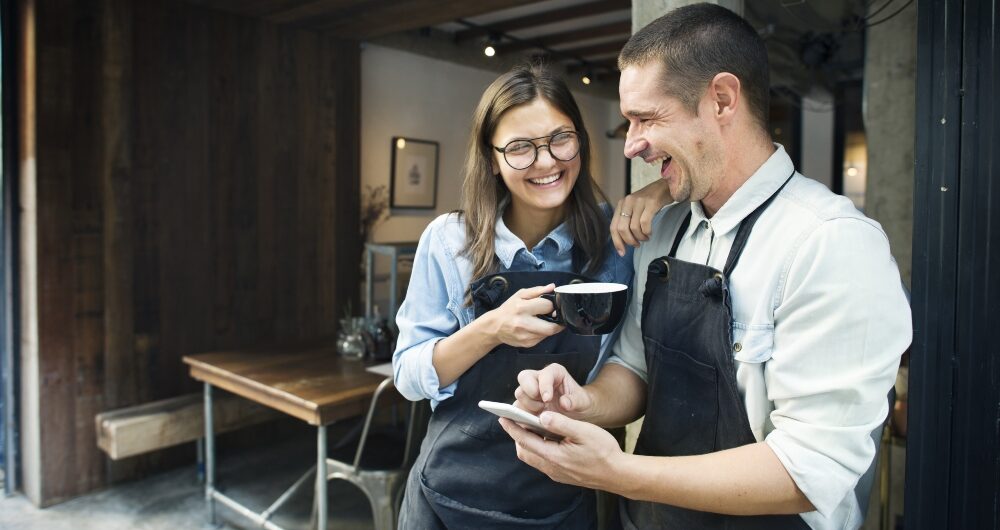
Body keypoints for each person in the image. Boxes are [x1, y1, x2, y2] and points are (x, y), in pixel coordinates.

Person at [501, 4, 913, 530]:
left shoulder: (831, 245)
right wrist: (582, 402)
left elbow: (810, 470)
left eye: (647, 118)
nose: (631, 144)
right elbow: (634, 370)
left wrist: (617, 472)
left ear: (721, 99)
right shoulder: (662, 232)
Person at [392, 62, 669, 529]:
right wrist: (490, 329)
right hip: (448, 496)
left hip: (563, 497)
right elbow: (408, 375)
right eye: (520, 148)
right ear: (492, 160)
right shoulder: (448, 241)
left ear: (580, 141)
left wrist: (662, 191)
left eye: (560, 138)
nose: (546, 162)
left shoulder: (615, 242)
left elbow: (631, 367)